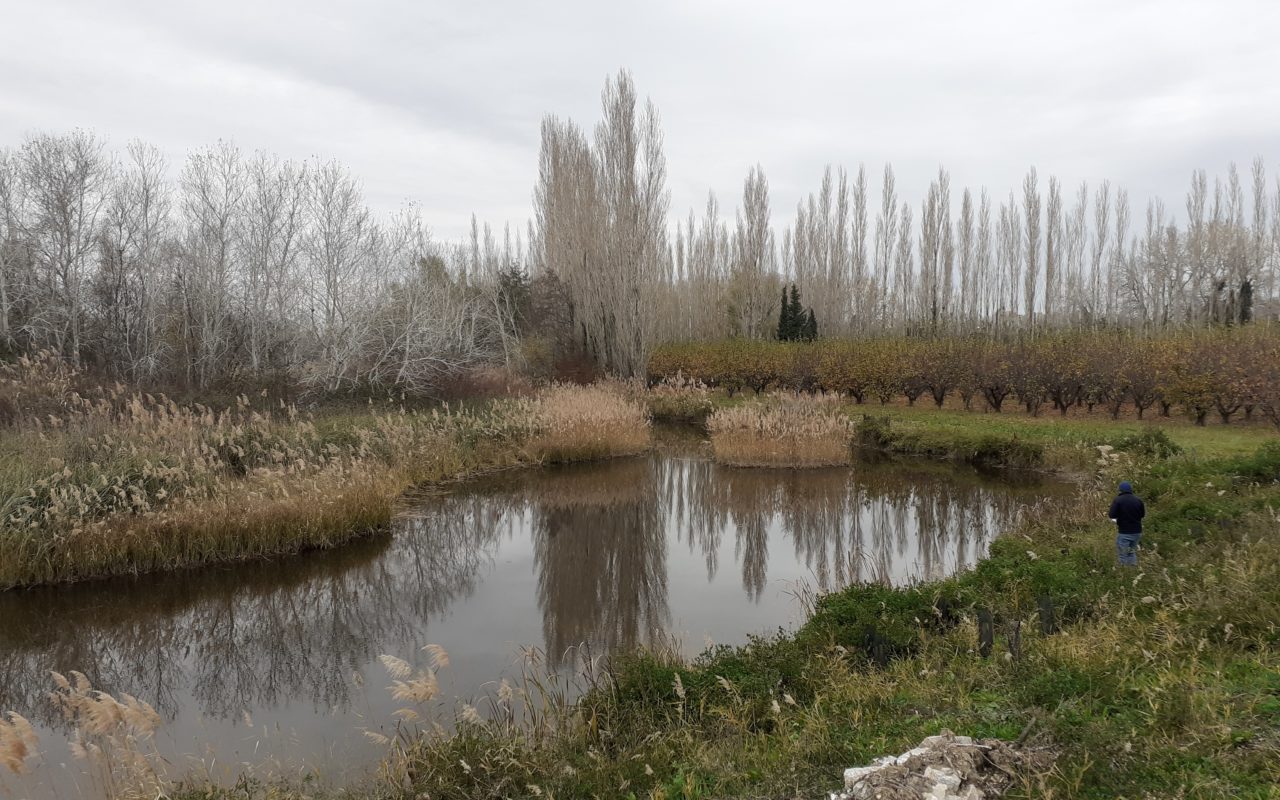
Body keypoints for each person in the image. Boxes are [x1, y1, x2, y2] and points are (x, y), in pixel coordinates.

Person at [1108, 481, 1145, 566]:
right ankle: (1133, 571)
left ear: (1120, 490)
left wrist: (1119, 518)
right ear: (1130, 490)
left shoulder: (1118, 500)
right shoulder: (1138, 500)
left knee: (1123, 555)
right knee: (1131, 552)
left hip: (1124, 533)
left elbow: (1111, 515)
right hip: (1137, 533)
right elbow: (1142, 515)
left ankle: (1124, 575)